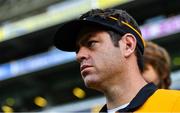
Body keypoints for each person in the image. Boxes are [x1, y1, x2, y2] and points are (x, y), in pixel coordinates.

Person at [53, 8, 180, 112]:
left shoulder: (175, 105)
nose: (79, 56)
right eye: (77, 50)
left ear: (128, 45)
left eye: (91, 43)